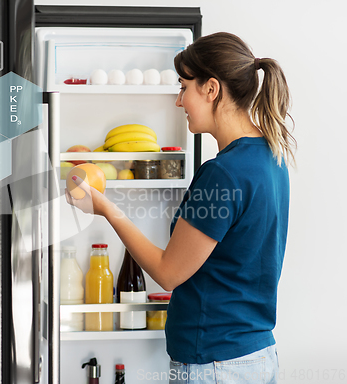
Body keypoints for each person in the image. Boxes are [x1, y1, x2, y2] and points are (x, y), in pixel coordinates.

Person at [65, 32, 295, 384]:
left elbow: (169, 273)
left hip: (215, 362)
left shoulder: (221, 174)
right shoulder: (271, 156)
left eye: (184, 86)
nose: (178, 100)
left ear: (211, 89)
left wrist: (107, 209)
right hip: (255, 356)